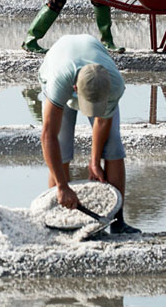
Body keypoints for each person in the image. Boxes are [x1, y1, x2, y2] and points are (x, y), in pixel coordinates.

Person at [38, 34, 139, 235]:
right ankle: (59, 219)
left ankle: (117, 221)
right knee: (62, 146)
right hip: (59, 64)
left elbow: (102, 121)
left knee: (113, 147)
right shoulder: (59, 82)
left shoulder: (115, 84)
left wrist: (94, 162)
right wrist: (62, 186)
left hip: (92, 65)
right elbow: (48, 136)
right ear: (75, 89)